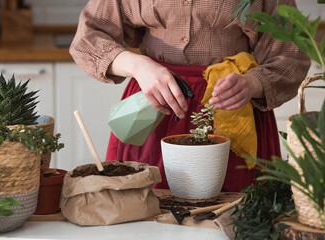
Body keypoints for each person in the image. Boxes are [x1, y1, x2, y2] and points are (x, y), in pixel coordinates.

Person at [70, 0, 310, 191]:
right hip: (152, 105)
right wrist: (138, 66)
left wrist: (252, 83)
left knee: (236, 218)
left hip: (234, 109)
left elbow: (291, 57)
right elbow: (88, 38)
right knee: (139, 211)